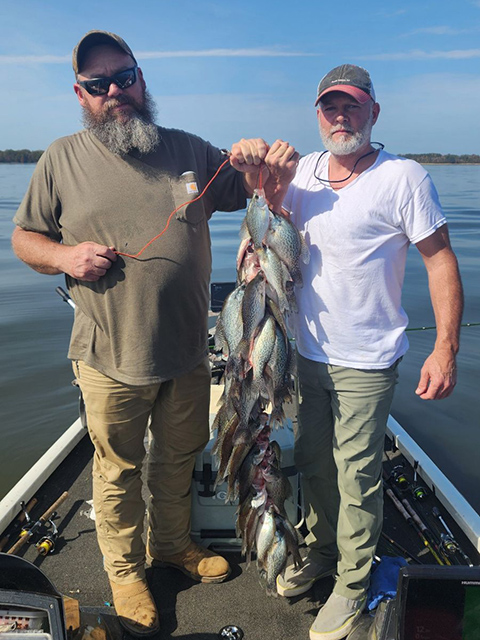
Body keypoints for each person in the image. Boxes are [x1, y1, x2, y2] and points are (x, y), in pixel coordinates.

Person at [11, 30, 296, 638]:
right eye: (99, 83)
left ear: (142, 79)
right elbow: (25, 239)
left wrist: (253, 158)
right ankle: (124, 571)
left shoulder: (186, 147)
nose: (116, 90)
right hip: (109, 353)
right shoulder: (61, 158)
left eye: (125, 76)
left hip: (190, 352)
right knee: (118, 467)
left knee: (177, 457)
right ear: (81, 94)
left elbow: (248, 186)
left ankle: (172, 545)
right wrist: (65, 258)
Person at [230, 64, 463, 640]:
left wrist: (445, 349)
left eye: (353, 106)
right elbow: (268, 227)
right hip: (303, 355)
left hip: (368, 360)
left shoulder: (403, 178)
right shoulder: (304, 171)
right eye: (331, 107)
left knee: (357, 474)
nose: (341, 117)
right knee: (311, 462)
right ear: (317, 115)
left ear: (373, 113)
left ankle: (353, 584)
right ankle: (324, 550)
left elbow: (440, 261)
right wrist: (260, 179)